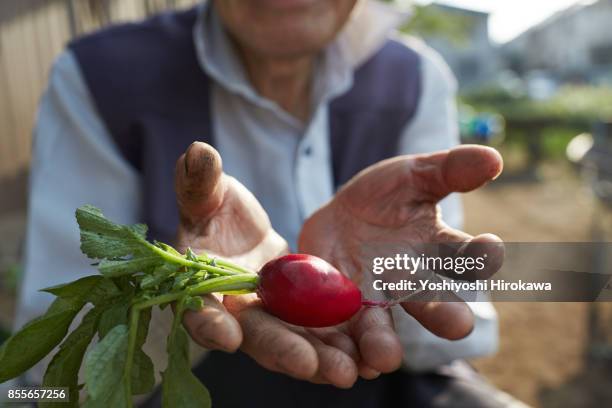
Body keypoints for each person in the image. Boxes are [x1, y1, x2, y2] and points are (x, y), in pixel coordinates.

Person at [18, 0, 525, 406]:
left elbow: (450, 338)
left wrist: (396, 279)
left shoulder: (415, 77)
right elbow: (45, 388)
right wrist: (176, 310)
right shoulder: (100, 77)